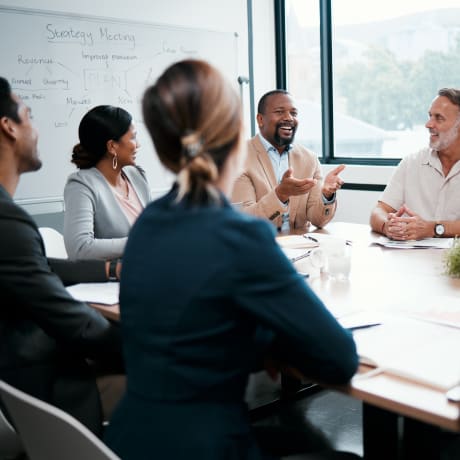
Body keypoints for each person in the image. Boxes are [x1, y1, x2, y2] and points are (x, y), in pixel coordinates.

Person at [104, 59, 359, 460]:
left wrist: (256, 340)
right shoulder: (239, 235)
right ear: (239, 132)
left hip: (128, 439)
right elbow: (340, 359)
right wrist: (269, 339)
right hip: (206, 447)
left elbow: (190, 320)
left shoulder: (149, 222)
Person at [0, 76, 123, 435]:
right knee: (177, 383)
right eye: (29, 115)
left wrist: (111, 270)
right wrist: (152, 350)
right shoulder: (8, 219)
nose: (36, 129)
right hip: (41, 392)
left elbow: (36, 267)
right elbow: (81, 327)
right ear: (8, 127)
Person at [231, 89, 345, 232]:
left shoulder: (309, 158)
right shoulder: (238, 157)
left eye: (294, 113)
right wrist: (280, 195)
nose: (289, 118)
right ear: (260, 120)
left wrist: (326, 195)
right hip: (260, 246)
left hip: (301, 247)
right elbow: (244, 221)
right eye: (279, 112)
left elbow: (318, 220)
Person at [370, 87, 460, 240]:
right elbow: (379, 211)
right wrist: (387, 226)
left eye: (439, 118)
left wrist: (433, 228)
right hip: (411, 257)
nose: (428, 124)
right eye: (430, 116)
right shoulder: (411, 163)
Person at [64, 105, 151, 260]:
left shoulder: (137, 175)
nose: (138, 145)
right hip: (116, 279)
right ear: (112, 146)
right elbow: (80, 248)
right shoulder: (81, 185)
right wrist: (141, 242)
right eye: (133, 137)